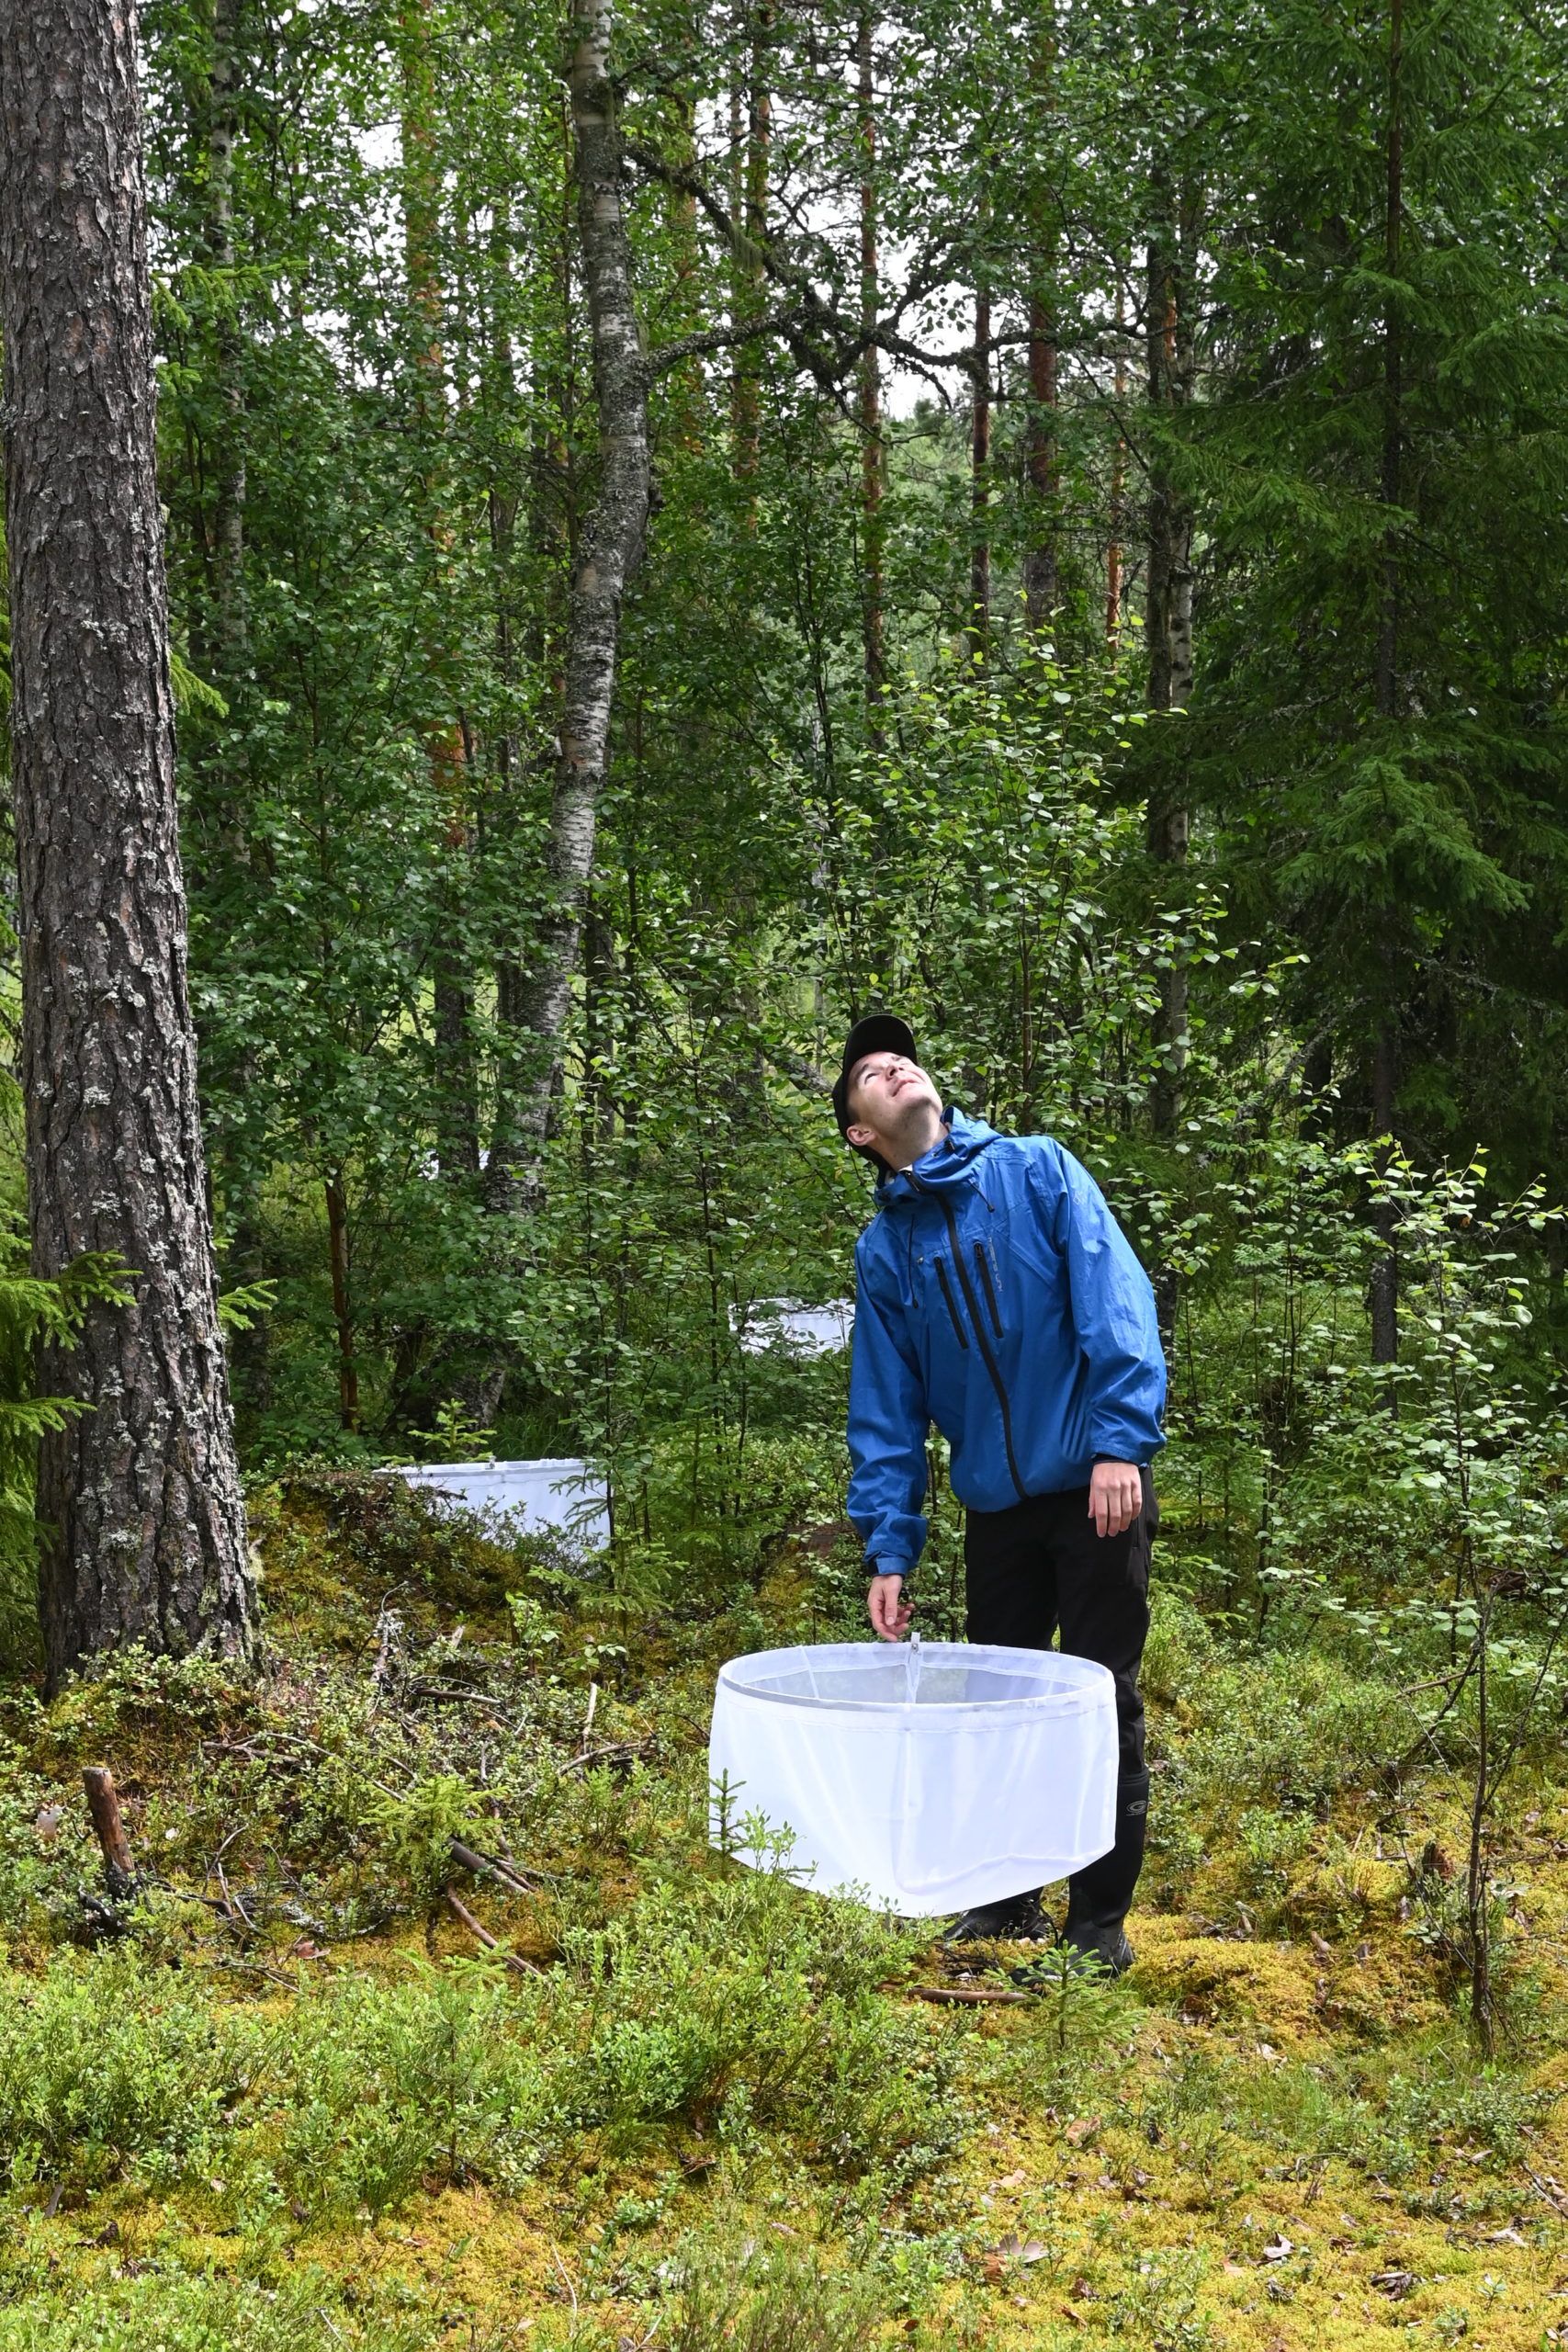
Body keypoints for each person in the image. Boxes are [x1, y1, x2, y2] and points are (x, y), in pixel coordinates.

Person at [834, 1013, 1166, 1973]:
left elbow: (1117, 1299)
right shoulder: (885, 1253)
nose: (892, 1064)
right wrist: (891, 1546)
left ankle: (1097, 1925)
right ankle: (1006, 1901)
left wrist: (1119, 1443)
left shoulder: (1036, 1171)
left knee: (1102, 1700)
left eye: (899, 1055)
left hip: (1096, 1487)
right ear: (862, 1132)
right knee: (1002, 1709)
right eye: (868, 1072)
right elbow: (887, 1409)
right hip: (997, 1512)